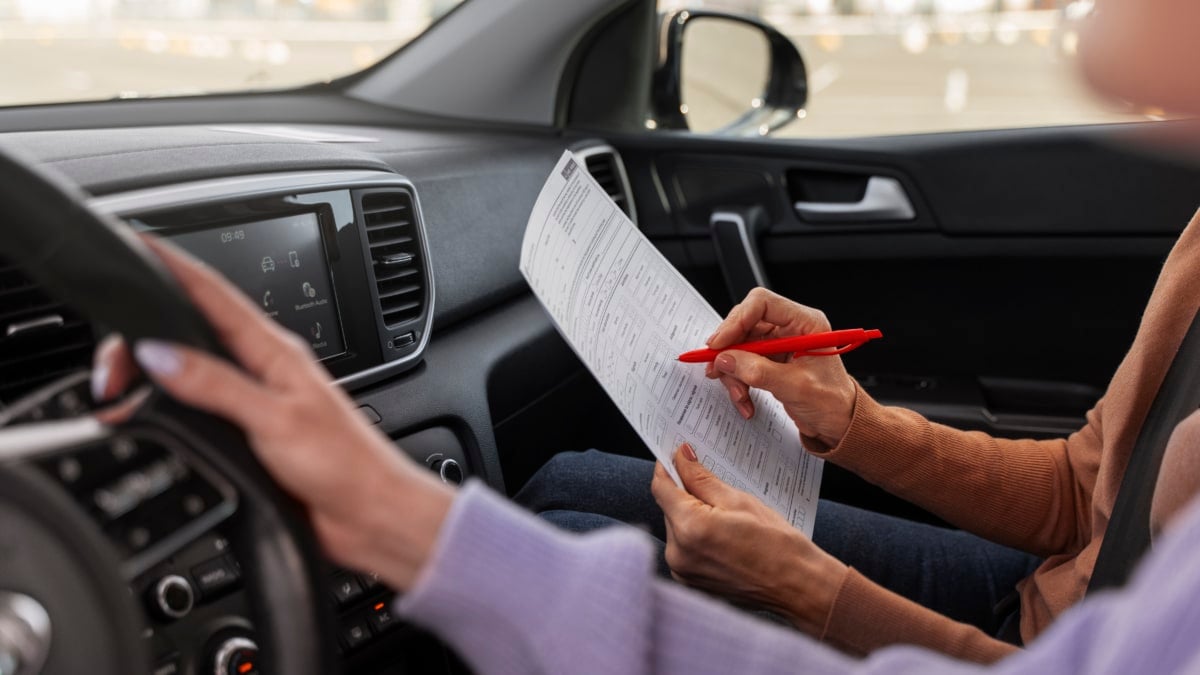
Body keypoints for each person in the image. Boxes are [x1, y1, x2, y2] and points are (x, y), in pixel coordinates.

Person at [90, 0, 1200, 670]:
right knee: (572, 482)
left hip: (1047, 643)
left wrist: (807, 591)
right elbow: (1077, 489)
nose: (1101, 44)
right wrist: (848, 418)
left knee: (569, 530)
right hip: (1059, 597)